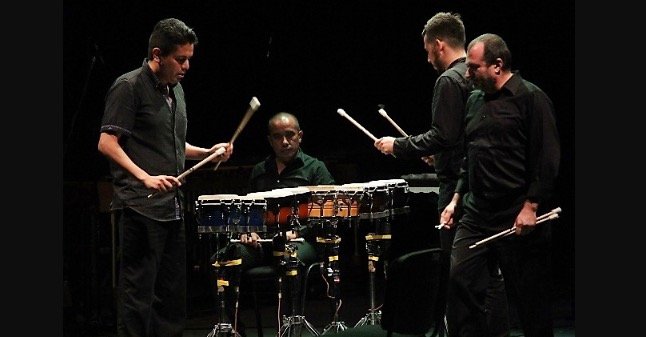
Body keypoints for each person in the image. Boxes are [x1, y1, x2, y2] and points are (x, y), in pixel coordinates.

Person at [373, 12, 509, 336]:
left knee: (460, 276)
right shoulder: (478, 78)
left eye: (427, 50)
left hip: (459, 190)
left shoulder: (449, 79)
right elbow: (465, 136)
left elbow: (444, 135)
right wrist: (440, 156)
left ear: (438, 44)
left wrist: (399, 146)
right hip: (485, 182)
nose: (427, 58)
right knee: (491, 274)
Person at [97, 18, 233, 337]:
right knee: (138, 297)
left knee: (171, 297)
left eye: (189, 59)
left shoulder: (176, 90)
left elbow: (172, 144)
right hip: (139, 208)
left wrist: (208, 152)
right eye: (180, 59)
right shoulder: (129, 86)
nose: (186, 66)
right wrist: (145, 177)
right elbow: (107, 142)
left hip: (171, 208)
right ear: (158, 55)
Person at [441, 33, 560, 337]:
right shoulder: (475, 99)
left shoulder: (531, 98)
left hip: (516, 211)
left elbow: (547, 158)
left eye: (473, 68)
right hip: (477, 212)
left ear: (497, 65)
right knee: (460, 281)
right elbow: (471, 155)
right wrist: (456, 199)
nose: (467, 74)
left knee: (530, 303)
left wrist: (531, 206)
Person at [220, 111, 335, 334]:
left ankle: (289, 330)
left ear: (300, 136)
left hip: (301, 242)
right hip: (263, 245)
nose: (284, 141)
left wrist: (297, 231)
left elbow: (327, 214)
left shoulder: (315, 169)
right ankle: (234, 329)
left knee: (289, 257)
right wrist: (248, 231)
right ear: (270, 140)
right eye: (277, 136)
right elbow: (248, 212)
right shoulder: (260, 171)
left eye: (290, 135)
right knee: (224, 258)